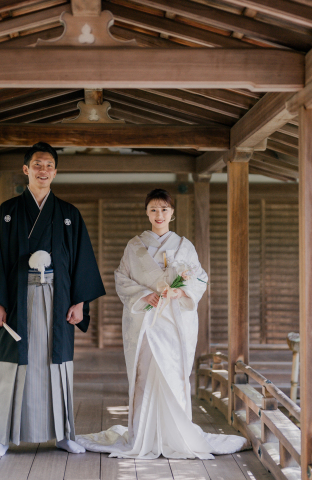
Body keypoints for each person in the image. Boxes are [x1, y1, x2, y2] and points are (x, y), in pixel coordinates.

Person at [77, 189, 248, 459]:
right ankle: (142, 432)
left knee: (173, 375)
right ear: (147, 213)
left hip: (173, 322)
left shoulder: (184, 246)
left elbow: (200, 278)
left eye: (164, 209)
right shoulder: (135, 246)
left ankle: (176, 434)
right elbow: (121, 277)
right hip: (146, 319)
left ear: (173, 214)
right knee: (144, 374)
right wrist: (143, 294)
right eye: (154, 209)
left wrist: (180, 292)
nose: (159, 215)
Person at [0, 142, 105, 457]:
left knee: (56, 360)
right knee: (13, 363)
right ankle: (3, 437)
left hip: (56, 296)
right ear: (26, 170)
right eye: (37, 164)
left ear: (55, 171)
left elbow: (81, 261)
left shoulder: (68, 214)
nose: (43, 170)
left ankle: (62, 434)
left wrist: (79, 302)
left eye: (49, 165)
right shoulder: (8, 212)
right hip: (17, 298)